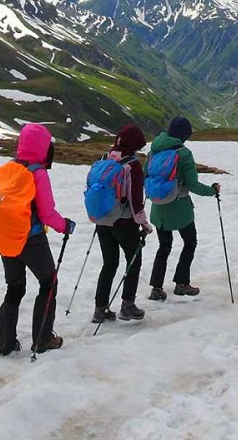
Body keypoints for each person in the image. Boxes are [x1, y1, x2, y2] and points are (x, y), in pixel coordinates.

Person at [0, 122, 76, 355]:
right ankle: (42, 339)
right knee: (49, 283)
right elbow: (47, 213)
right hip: (31, 240)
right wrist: (66, 226)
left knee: (15, 287)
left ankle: (5, 343)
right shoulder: (37, 173)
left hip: (7, 237)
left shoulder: (9, 168)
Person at [147, 116, 220, 301]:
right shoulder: (183, 153)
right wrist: (212, 191)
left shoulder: (154, 150)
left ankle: (156, 288)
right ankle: (181, 284)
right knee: (190, 242)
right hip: (180, 208)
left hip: (158, 207)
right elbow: (192, 184)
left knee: (164, 247)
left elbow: (147, 175)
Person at [92, 124, 152, 324]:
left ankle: (100, 309)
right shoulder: (132, 165)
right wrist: (144, 224)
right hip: (124, 223)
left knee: (109, 264)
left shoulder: (104, 158)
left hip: (103, 221)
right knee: (133, 261)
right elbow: (135, 201)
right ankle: (127, 305)